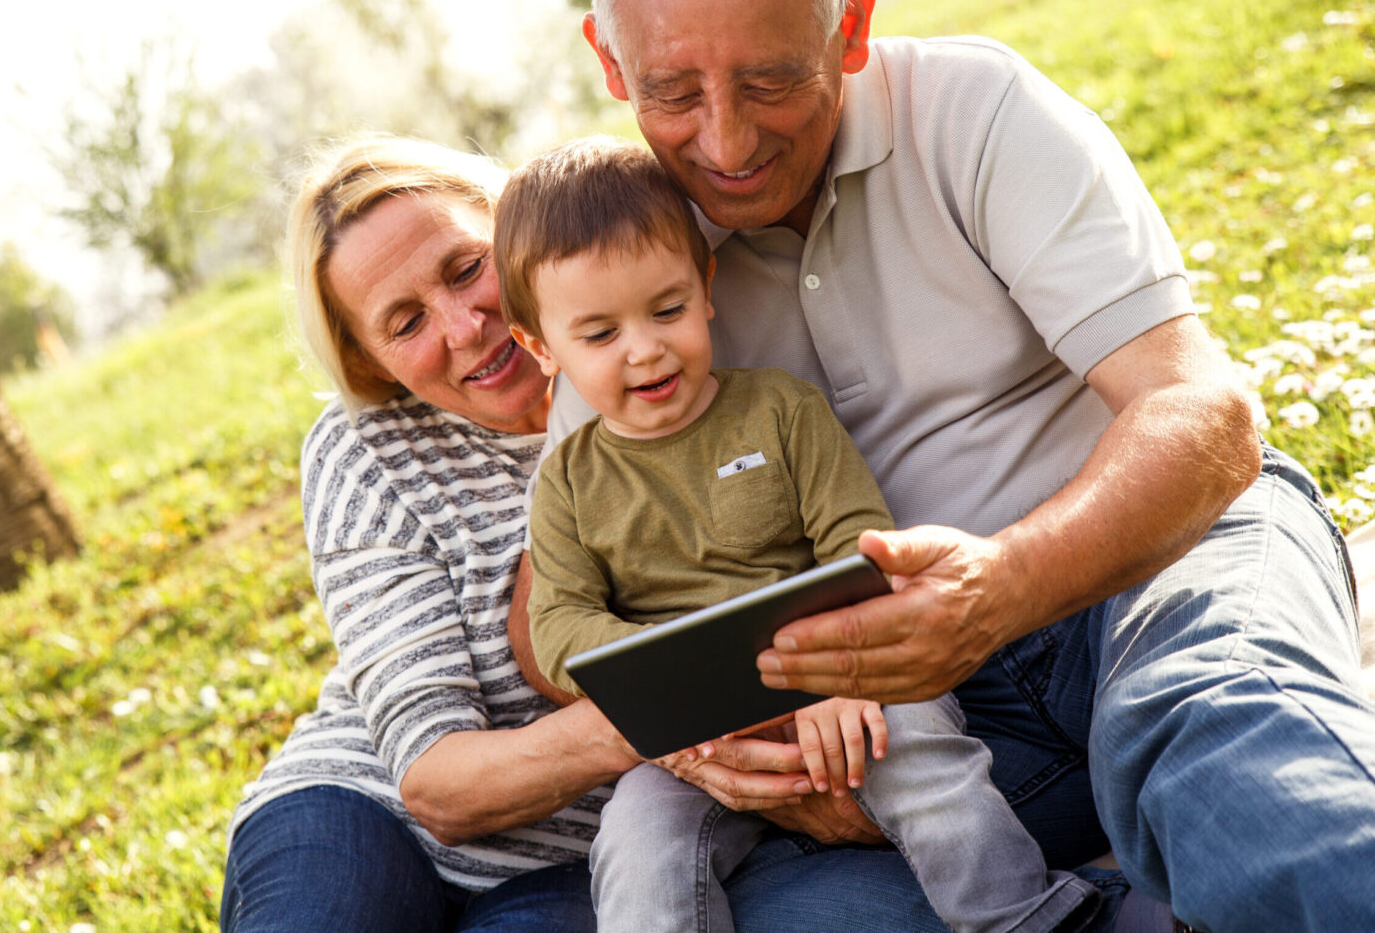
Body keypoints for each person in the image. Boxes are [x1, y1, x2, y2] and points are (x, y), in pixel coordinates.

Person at [511, 0, 1375, 928]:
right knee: (786, 912)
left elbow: (1200, 410)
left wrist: (1004, 583)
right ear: (610, 64)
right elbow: (554, 607)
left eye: (769, 80)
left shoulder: (974, 110)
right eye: (673, 92)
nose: (725, 143)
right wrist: (695, 731)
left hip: (1143, 569)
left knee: (1224, 733)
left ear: (850, 26)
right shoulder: (615, 263)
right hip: (919, 725)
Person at [218, 134, 984, 933]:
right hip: (363, 806)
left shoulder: (674, 356)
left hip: (587, 851)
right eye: (405, 322)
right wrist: (680, 712)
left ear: (516, 240)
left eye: (465, 268)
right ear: (369, 360)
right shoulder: (366, 449)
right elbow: (435, 781)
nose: (465, 324)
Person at [497, 135, 1103, 933]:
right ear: (542, 347)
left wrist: (837, 673)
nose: (645, 348)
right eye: (600, 335)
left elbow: (856, 541)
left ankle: (1024, 916)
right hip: (698, 739)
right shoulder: (570, 482)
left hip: (842, 676)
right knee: (638, 841)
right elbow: (563, 625)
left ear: (706, 286)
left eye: (668, 308)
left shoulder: (781, 411)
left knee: (920, 746)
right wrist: (688, 708)